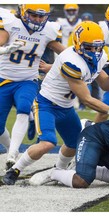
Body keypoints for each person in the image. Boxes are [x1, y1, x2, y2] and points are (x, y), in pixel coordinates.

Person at [1, 21, 109, 186]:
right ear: (77, 43)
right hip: (46, 104)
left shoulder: (100, 56)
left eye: (97, 47)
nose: (95, 51)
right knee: (47, 142)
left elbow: (106, 85)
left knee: (75, 143)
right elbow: (86, 99)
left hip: (66, 107)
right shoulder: (70, 60)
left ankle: (57, 171)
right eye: (89, 47)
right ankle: (15, 170)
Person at [0, 4, 66, 171]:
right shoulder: (10, 23)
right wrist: (6, 49)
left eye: (40, 16)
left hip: (28, 79)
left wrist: (52, 66)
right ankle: (10, 149)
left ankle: (12, 154)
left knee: (23, 107)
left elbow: (66, 55)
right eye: (33, 15)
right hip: (4, 79)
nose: (37, 19)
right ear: (23, 11)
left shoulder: (49, 30)